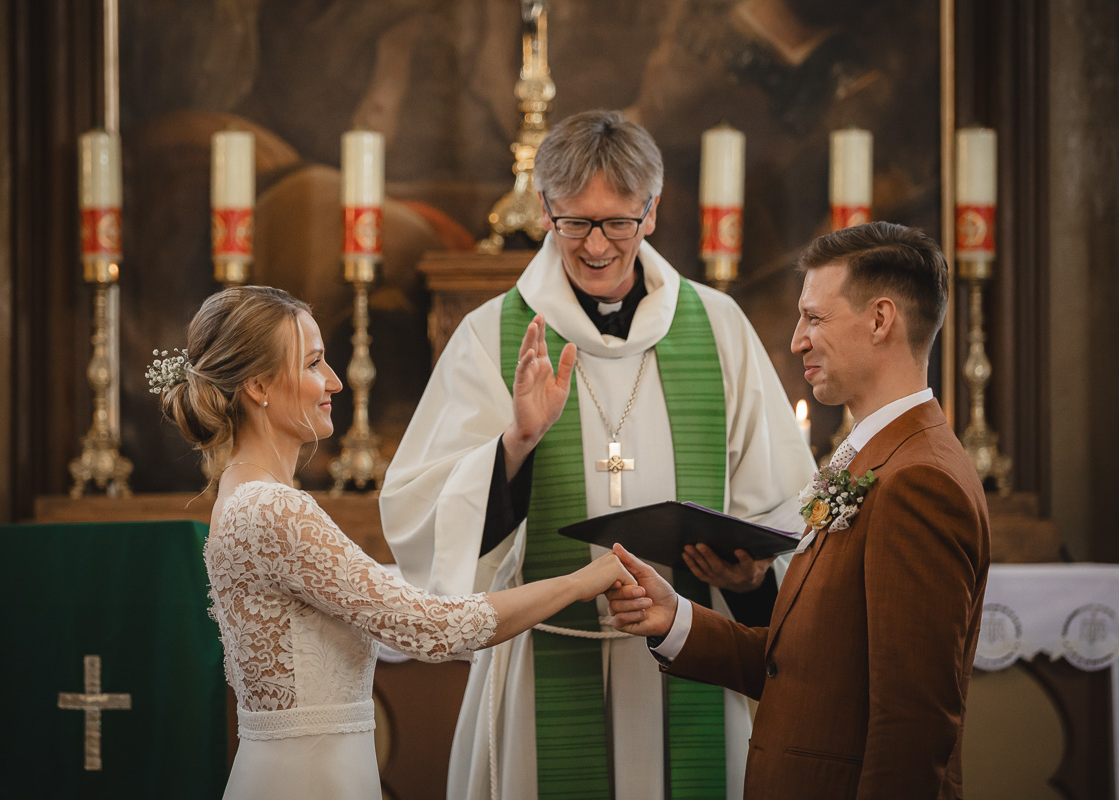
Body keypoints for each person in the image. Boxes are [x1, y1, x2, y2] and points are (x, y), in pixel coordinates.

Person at [380, 109, 815, 799]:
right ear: (544, 209)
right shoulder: (490, 335)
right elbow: (423, 517)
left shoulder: (718, 327)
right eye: (574, 222)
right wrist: (515, 445)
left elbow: (787, 503)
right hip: (546, 664)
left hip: (693, 662)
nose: (595, 245)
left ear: (652, 211)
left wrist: (749, 578)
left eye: (617, 222)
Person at [150, 285, 638, 800]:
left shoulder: (245, 495)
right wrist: (582, 581)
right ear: (258, 386)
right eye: (314, 363)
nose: (335, 380)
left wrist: (517, 440)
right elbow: (434, 630)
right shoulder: (272, 509)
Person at [607, 221, 991, 800]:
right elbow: (806, 669)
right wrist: (675, 618)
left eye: (814, 317)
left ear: (880, 320)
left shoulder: (920, 481)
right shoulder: (873, 457)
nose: (796, 341)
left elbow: (913, 728)